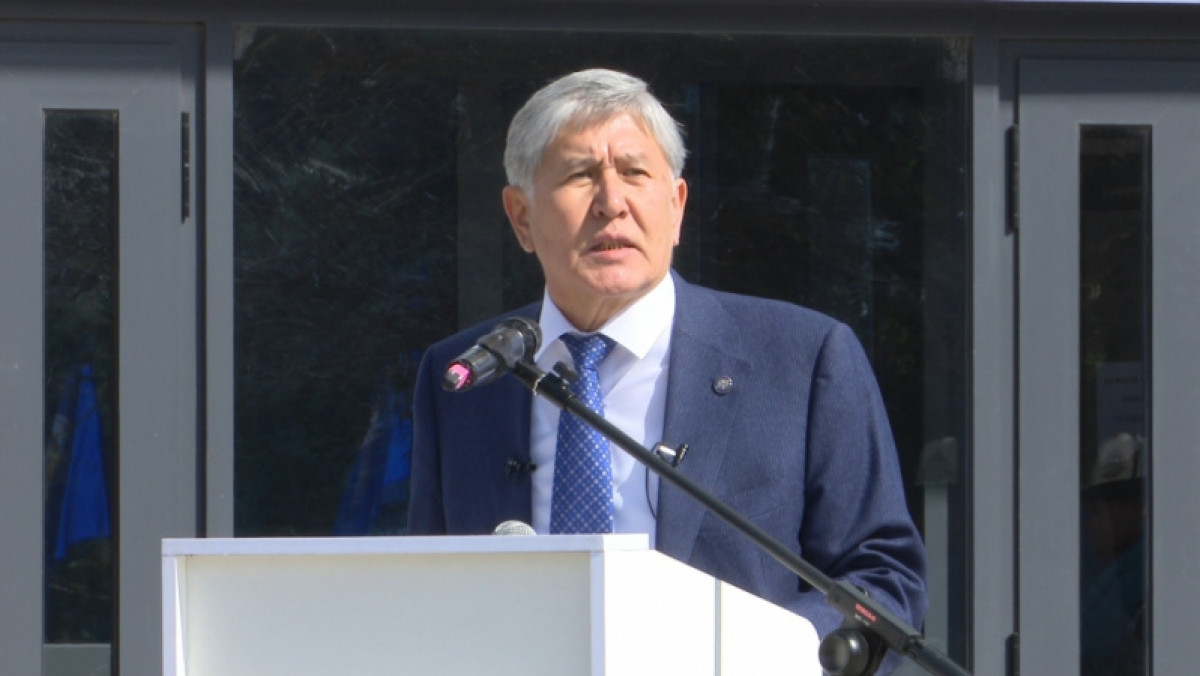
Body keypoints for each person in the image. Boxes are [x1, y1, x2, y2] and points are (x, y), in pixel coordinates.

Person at [408, 68, 927, 660]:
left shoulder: (803, 358)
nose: (612, 203)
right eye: (580, 175)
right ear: (521, 216)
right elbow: (426, 587)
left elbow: (882, 578)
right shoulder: (464, 375)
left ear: (677, 206)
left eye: (634, 173)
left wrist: (770, 655)